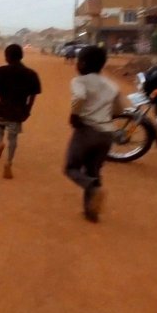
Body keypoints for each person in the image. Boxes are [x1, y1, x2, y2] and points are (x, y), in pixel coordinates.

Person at [65, 45, 124, 223]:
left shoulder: (80, 81)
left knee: (71, 168)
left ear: (82, 63)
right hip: (106, 135)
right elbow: (119, 109)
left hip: (86, 131)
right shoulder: (112, 85)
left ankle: (91, 187)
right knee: (94, 170)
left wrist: (74, 115)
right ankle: (91, 212)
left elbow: (80, 97)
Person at [0, 44, 42, 179]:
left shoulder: (0, 71)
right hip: (19, 109)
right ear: (21, 56)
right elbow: (33, 94)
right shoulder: (31, 74)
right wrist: (28, 110)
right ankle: (8, 163)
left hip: (3, 107)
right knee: (13, 137)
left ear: (7, 57)